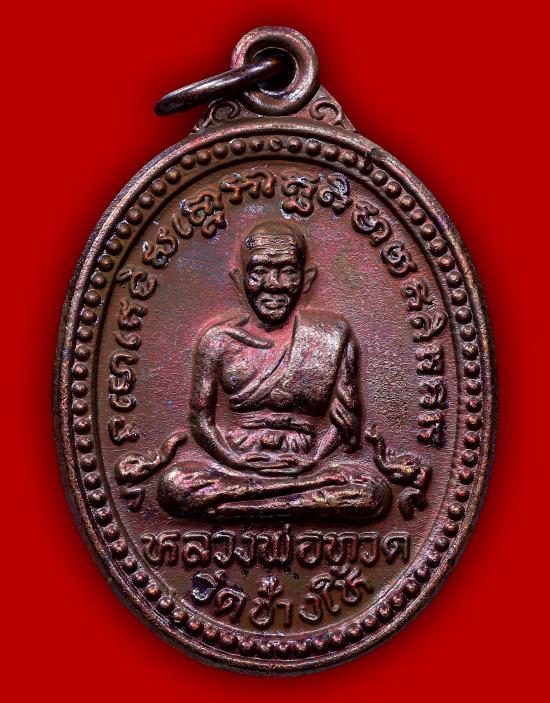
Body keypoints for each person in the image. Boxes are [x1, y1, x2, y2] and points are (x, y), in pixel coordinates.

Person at [157, 220, 391, 520]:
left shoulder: (332, 335)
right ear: (239, 278)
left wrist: (314, 460)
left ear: (306, 280)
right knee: (175, 486)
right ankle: (285, 503)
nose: (273, 284)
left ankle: (242, 505)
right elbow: (201, 421)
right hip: (236, 461)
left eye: (287, 271)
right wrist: (237, 462)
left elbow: (346, 422)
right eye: (259, 271)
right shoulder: (217, 341)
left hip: (308, 463)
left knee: (371, 492)